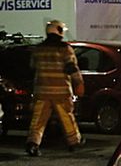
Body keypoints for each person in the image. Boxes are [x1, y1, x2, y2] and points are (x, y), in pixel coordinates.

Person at [25, 19, 84, 156]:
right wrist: (79, 84)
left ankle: (33, 144)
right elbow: (72, 68)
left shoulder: (38, 49)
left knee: (38, 120)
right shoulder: (65, 49)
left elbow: (32, 67)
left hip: (42, 91)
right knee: (67, 118)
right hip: (61, 91)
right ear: (59, 31)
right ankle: (74, 142)